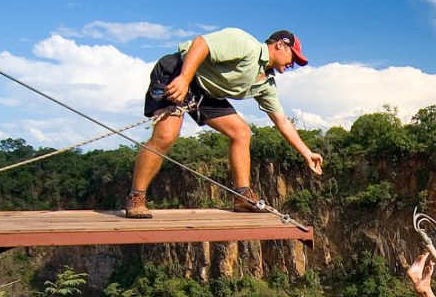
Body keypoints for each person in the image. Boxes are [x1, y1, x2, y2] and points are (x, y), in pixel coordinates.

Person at [125, 27, 324, 218]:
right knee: (166, 135)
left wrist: (307, 153)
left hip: (207, 92)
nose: (293, 64)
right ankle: (136, 197)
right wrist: (184, 79)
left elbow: (281, 121)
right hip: (178, 71)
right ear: (280, 45)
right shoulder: (246, 44)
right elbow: (201, 44)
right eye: (293, 57)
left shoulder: (267, 84)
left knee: (242, 132)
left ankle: (242, 196)